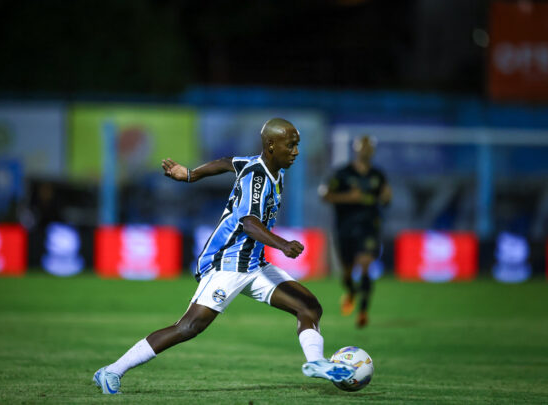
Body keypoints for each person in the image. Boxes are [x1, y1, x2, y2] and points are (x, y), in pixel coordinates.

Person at [93, 118, 354, 394]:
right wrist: (283, 245)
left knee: (309, 307)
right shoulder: (259, 177)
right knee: (188, 327)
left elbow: (229, 162)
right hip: (228, 262)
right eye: (290, 146)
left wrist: (192, 174)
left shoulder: (266, 165)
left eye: (297, 145)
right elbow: (249, 223)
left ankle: (315, 363)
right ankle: (111, 371)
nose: (296, 152)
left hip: (253, 264)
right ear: (271, 145)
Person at [319, 135, 391, 328]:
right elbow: (324, 194)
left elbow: (386, 199)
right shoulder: (342, 173)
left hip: (369, 227)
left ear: (373, 151)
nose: (366, 151)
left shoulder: (378, 175)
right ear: (356, 149)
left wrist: (386, 196)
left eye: (369, 147)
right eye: (363, 147)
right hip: (345, 228)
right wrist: (348, 197)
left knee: (366, 263)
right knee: (347, 273)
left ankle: (363, 312)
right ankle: (351, 291)